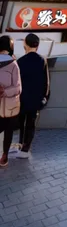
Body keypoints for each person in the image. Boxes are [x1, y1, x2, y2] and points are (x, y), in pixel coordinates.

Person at [16, 33, 50, 159]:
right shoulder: (42, 60)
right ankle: (26, 148)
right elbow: (46, 81)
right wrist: (44, 97)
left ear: (25, 44)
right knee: (31, 124)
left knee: (21, 123)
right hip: (35, 99)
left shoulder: (20, 61)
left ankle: (20, 145)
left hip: (22, 98)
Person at [0, 35, 21, 168]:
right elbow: (18, 88)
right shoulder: (13, 65)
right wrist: (6, 92)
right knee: (8, 130)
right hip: (8, 105)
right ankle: (4, 156)